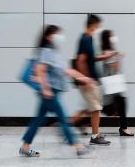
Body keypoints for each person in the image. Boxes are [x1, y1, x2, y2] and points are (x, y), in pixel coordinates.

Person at [20, 25, 92, 157]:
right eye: (56, 34)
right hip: (49, 91)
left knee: (38, 119)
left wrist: (83, 77)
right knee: (63, 118)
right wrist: (45, 89)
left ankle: (25, 146)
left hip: (51, 91)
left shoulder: (53, 51)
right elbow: (40, 70)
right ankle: (77, 146)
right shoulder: (46, 51)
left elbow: (66, 70)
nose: (59, 36)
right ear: (48, 37)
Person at [70, 14, 113, 146]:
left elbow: (90, 58)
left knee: (94, 109)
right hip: (89, 80)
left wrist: (103, 57)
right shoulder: (85, 39)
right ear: (93, 24)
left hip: (91, 79)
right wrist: (85, 78)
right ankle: (94, 136)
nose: (99, 27)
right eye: (98, 24)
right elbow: (80, 60)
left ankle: (94, 134)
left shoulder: (89, 38)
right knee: (95, 109)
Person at [99, 29, 133, 137]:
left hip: (112, 84)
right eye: (111, 36)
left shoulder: (109, 51)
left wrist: (117, 54)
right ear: (107, 38)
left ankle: (124, 128)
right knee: (117, 104)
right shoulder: (107, 52)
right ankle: (123, 128)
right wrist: (118, 57)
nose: (114, 37)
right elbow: (114, 67)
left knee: (120, 103)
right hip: (112, 84)